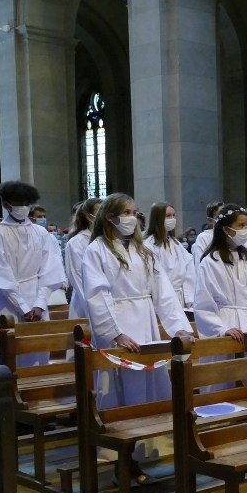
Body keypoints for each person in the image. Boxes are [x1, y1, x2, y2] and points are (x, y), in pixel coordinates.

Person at [81, 193, 194, 477]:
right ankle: (122, 459)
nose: (132, 218)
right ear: (110, 217)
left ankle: (147, 448)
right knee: (120, 391)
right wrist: (115, 333)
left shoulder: (143, 251)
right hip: (118, 325)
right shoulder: (97, 250)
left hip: (145, 323)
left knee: (150, 388)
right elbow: (97, 294)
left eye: (134, 212)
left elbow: (163, 293)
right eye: (126, 213)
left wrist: (179, 327)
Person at [0, 182, 65, 366]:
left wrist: (40, 304)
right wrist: (23, 307)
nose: (23, 207)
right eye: (18, 203)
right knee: (4, 353)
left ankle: (35, 383)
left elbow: (50, 269)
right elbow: (0, 274)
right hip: (7, 300)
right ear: (6, 204)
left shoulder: (41, 232)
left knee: (37, 352)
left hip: (37, 296)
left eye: (26, 203)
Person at [194, 204, 247, 340]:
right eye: (241, 225)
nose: (246, 230)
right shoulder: (211, 262)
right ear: (226, 229)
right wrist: (221, 329)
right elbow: (204, 304)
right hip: (227, 325)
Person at [143, 202, 194, 309]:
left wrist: (189, 297)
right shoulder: (149, 244)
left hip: (179, 296)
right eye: (168, 216)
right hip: (160, 298)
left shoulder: (175, 243)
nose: (172, 219)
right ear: (157, 218)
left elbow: (189, 268)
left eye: (173, 215)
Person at [64, 199, 102, 320]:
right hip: (85, 303)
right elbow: (77, 278)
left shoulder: (110, 240)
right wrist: (95, 310)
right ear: (89, 217)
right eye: (100, 211)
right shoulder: (76, 242)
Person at [191, 200, 225, 265]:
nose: (225, 217)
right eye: (220, 215)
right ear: (210, 220)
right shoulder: (204, 237)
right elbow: (200, 264)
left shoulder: (231, 234)